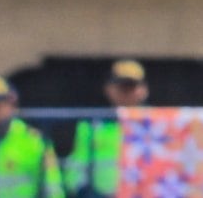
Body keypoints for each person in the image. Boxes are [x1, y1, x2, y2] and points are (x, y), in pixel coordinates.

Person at [53, 58, 143, 198]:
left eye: (131, 86)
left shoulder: (160, 126)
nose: (126, 92)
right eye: (121, 86)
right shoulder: (91, 125)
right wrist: (84, 191)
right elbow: (76, 170)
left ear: (143, 90)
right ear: (109, 89)